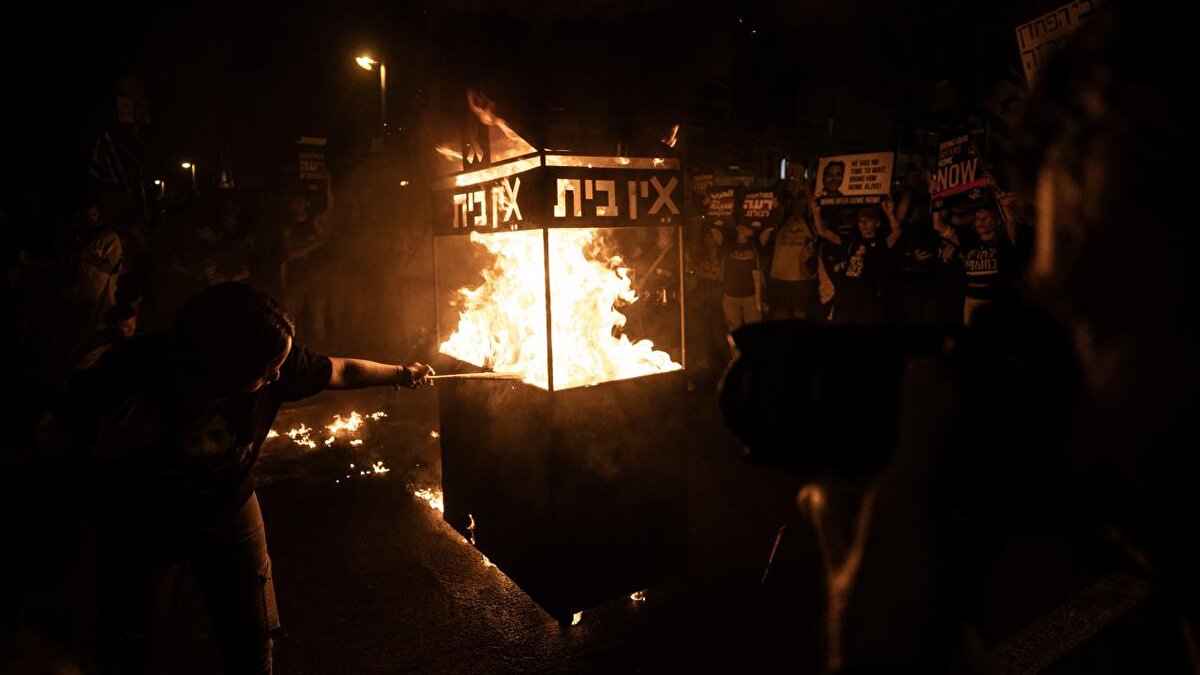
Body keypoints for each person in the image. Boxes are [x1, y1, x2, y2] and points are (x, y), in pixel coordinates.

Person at [49, 282, 433, 674]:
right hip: (142, 527)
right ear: (225, 367)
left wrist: (402, 373)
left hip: (229, 507)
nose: (280, 375)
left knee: (251, 638)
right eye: (268, 371)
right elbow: (61, 439)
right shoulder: (131, 374)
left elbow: (339, 369)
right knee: (134, 648)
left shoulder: (273, 361)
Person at [811, 197, 901, 325]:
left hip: (866, 297)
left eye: (868, 220)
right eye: (860, 221)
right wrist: (816, 212)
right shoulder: (851, 241)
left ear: (877, 223)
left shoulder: (880, 243)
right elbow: (823, 232)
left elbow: (896, 233)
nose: (863, 224)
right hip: (845, 296)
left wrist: (890, 214)